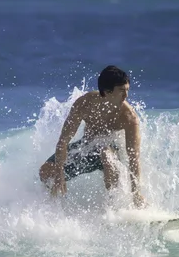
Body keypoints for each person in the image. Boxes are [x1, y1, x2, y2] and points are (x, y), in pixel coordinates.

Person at [39, 65, 146, 208]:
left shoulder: (129, 117)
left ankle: (113, 208)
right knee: (45, 173)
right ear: (107, 92)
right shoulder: (84, 104)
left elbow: (134, 158)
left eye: (127, 90)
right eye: (121, 91)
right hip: (87, 148)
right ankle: (54, 205)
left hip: (113, 153)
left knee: (106, 154)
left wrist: (136, 193)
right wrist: (59, 173)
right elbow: (63, 141)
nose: (126, 96)